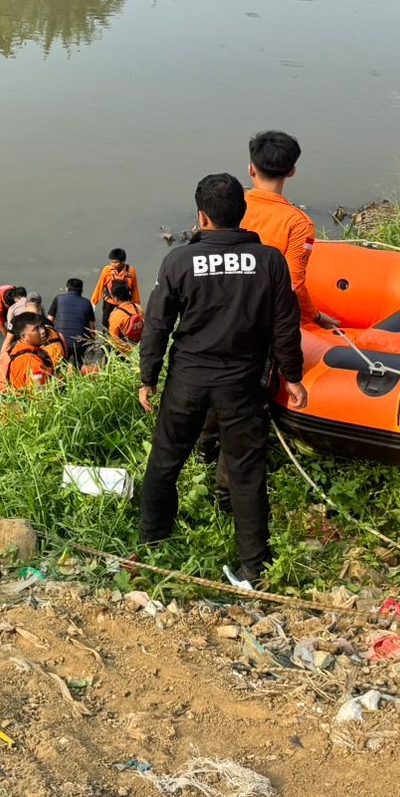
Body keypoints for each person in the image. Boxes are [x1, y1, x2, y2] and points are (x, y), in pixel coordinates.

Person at [137, 174, 306, 589]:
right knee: (247, 473)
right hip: (242, 383)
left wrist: (148, 377)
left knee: (164, 461)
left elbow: (157, 324)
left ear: (201, 216)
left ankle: (153, 541)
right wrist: (293, 376)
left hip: (187, 380)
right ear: (242, 212)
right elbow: (286, 326)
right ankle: (255, 566)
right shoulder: (269, 261)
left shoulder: (178, 261)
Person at [242, 130, 331, 327]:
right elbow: (294, 283)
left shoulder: (232, 205)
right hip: (264, 317)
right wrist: (314, 317)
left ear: (251, 169)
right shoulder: (299, 223)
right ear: (291, 171)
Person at [48, 278, 96, 368]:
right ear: (81, 290)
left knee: (60, 365)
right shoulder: (87, 303)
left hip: (61, 342)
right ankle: (79, 372)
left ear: (67, 288)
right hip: (80, 343)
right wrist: (93, 343)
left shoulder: (58, 299)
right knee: (78, 362)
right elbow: (91, 327)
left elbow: (49, 320)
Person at [6, 311, 56, 389]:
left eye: (41, 326)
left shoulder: (14, 349)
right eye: (36, 329)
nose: (42, 331)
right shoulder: (32, 362)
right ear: (23, 336)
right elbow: (39, 393)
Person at [92, 250, 140, 331]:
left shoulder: (131, 271)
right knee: (106, 326)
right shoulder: (107, 270)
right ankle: (106, 342)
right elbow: (100, 286)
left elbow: (134, 289)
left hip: (124, 304)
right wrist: (93, 302)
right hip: (109, 303)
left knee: (123, 326)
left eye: (116, 262)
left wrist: (136, 305)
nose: (113, 265)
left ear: (122, 261)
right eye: (111, 262)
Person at [106, 278, 145, 348]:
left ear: (115, 298)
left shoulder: (116, 315)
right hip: (139, 348)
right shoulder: (137, 307)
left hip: (125, 353)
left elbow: (114, 340)